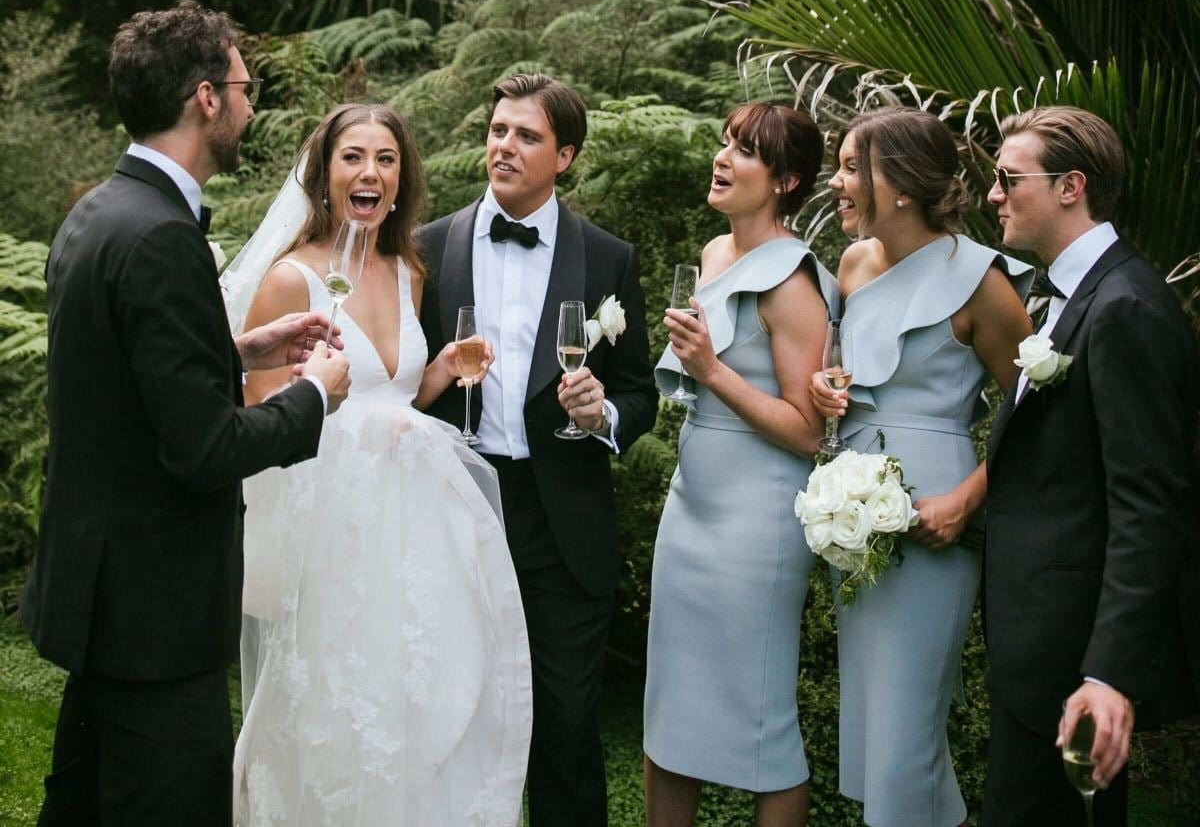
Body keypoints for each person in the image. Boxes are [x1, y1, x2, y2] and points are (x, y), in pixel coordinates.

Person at [20, 1, 352, 827]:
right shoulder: (163, 237)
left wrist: (242, 349)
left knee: (83, 806)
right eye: (244, 84)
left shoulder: (101, 210)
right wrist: (316, 393)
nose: (250, 103)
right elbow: (203, 446)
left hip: (105, 597)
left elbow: (122, 381)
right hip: (158, 617)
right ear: (206, 98)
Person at [224, 103, 532, 826]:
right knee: (330, 703)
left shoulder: (407, 272)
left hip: (413, 534)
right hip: (329, 536)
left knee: (414, 701)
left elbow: (396, 393)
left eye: (386, 159)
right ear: (324, 174)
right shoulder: (290, 281)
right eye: (353, 156)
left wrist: (443, 367)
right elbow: (260, 429)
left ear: (402, 179)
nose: (370, 171)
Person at [415, 72, 658, 827]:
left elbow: (640, 392)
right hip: (456, 507)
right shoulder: (429, 246)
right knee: (456, 721)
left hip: (563, 521)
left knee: (565, 724)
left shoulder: (608, 257)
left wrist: (602, 413)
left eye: (526, 135)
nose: (504, 146)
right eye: (497, 130)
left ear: (566, 155)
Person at [810, 106, 1033, 827]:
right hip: (857, 519)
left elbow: (1038, 415)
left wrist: (969, 498)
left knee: (907, 727)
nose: (838, 181)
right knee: (885, 732)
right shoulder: (853, 263)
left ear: (900, 184)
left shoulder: (979, 281)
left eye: (852, 167)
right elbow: (847, 371)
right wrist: (826, 385)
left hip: (934, 521)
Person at [982, 105, 1199, 827]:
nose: (993, 194)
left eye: (1010, 178)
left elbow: (1150, 505)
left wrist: (1107, 673)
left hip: (1071, 656)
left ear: (1071, 185)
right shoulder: (1065, 293)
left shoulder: (1125, 306)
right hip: (1036, 649)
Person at [643, 102, 837, 827]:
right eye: (725, 142)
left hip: (756, 526)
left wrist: (712, 371)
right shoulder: (716, 254)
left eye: (745, 151)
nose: (723, 158)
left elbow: (808, 430)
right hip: (690, 509)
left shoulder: (791, 283)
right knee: (670, 706)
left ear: (785, 180)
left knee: (762, 722)